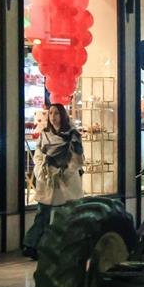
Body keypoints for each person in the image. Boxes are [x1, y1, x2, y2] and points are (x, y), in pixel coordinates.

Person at [22, 104, 84, 260]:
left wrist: (64, 171)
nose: (53, 116)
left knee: (65, 217)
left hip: (66, 182)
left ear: (62, 115)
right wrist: (41, 170)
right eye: (50, 113)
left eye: (56, 113)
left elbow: (78, 159)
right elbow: (38, 156)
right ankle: (32, 245)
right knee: (43, 214)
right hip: (47, 180)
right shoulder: (45, 135)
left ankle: (66, 247)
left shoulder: (72, 135)